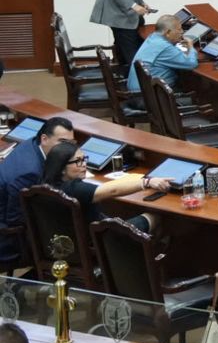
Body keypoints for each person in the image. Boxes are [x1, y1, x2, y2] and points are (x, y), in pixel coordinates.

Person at [41, 141, 174, 230]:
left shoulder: (45, 184)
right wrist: (147, 182)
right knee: (157, 216)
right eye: (78, 162)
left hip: (75, 240)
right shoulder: (73, 188)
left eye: (84, 159)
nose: (84, 165)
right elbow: (113, 190)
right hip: (101, 241)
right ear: (62, 168)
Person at [0, 116, 74, 270]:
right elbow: (15, 219)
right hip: (8, 239)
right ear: (44, 139)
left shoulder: (32, 144)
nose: (68, 149)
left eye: (71, 143)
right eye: (62, 142)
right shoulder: (29, 172)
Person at [126, 15, 199, 91]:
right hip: (152, 94)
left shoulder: (152, 37)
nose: (182, 32)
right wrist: (191, 47)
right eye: (179, 29)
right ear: (168, 32)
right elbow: (191, 64)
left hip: (139, 89)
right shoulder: (165, 47)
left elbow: (165, 52)